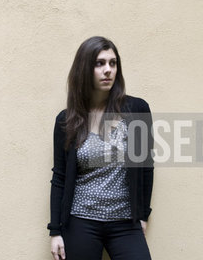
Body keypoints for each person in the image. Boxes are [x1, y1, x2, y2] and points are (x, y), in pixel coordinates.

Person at [47, 36, 154, 260]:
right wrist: (55, 231)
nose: (108, 70)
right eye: (100, 63)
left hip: (125, 221)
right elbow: (60, 177)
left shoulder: (136, 109)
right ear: (85, 69)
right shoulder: (67, 120)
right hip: (81, 220)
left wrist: (143, 215)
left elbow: (145, 166)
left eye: (113, 63)